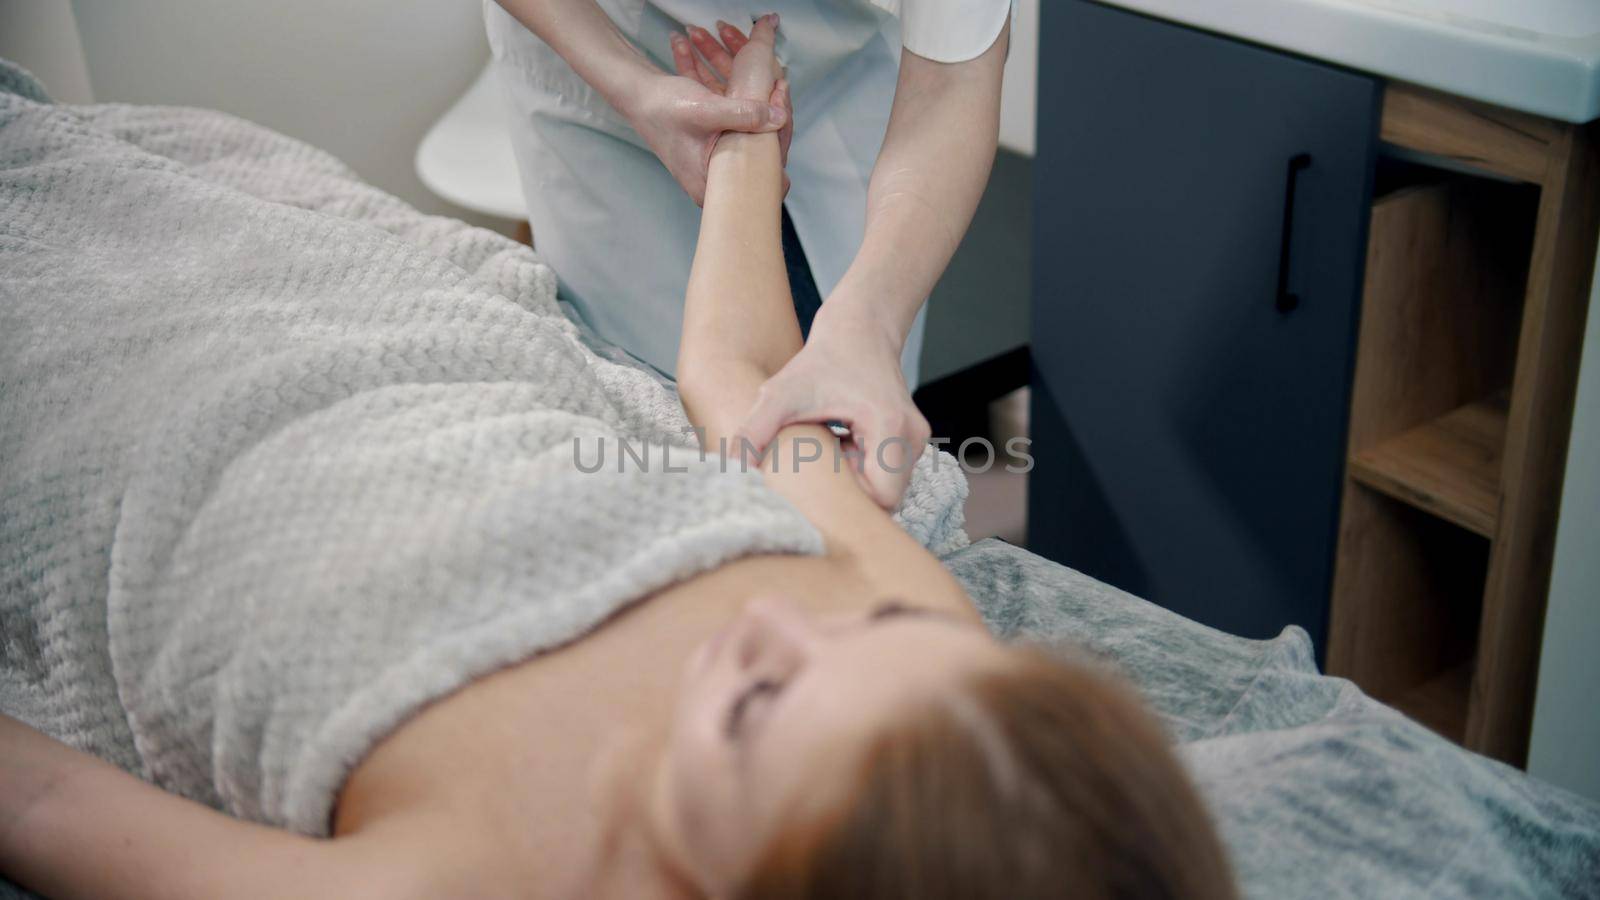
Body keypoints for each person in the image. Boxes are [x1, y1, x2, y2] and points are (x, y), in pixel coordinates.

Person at [0, 22, 1232, 900]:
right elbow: (746, 392)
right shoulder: (929, 656)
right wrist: (749, 149)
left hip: (173, 446)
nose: (767, 628)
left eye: (754, 709)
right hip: (420, 348)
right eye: (854, 634)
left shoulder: (466, 878)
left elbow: (43, 803)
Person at [487, 0, 1011, 510]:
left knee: (854, 398)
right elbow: (722, 385)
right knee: (662, 430)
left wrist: (870, 328)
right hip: (600, 52)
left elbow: (952, 82)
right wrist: (633, 85)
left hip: (833, 72)